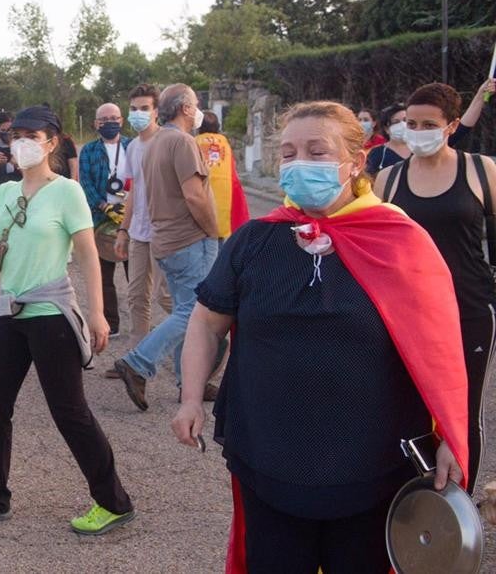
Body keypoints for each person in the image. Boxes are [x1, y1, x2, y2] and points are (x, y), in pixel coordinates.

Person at [173, 100, 469, 572]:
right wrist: (190, 397)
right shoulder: (253, 241)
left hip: (370, 465)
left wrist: (453, 435)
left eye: (316, 151)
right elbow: (207, 321)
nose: (298, 164)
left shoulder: (399, 240)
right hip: (268, 458)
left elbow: (441, 353)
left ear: (355, 162)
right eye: (288, 153)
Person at [0, 105, 135, 537]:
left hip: (51, 314)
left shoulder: (67, 192)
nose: (21, 142)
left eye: (31, 135)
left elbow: (86, 255)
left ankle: (113, 501)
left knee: (69, 412)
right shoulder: (6, 192)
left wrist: (96, 312)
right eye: (16, 134)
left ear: (52, 142)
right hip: (10, 313)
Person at [375, 79, 496, 491]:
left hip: (470, 309)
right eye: (411, 122)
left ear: (452, 125)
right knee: (405, 405)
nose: (417, 131)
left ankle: (459, 516)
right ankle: (411, 499)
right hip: (407, 314)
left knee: (462, 410)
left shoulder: (482, 170)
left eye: (429, 123)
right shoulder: (387, 181)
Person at [112, 84, 221, 411]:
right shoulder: (182, 141)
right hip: (189, 240)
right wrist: (212, 231)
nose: (198, 108)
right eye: (196, 104)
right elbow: (194, 195)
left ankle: (189, 382)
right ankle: (139, 361)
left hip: (165, 239)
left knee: (183, 308)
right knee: (193, 312)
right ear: (186, 108)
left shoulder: (155, 142)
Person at [112, 84, 173, 347]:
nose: (139, 113)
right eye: (134, 109)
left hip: (165, 234)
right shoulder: (133, 147)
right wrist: (123, 231)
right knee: (136, 297)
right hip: (138, 233)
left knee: (167, 297)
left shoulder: (169, 142)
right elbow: (134, 190)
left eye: (144, 108)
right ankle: (137, 362)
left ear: (156, 111)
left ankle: (206, 336)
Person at [78, 103, 130, 337]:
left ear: (121, 120)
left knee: (136, 274)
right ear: (96, 123)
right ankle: (111, 323)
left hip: (131, 218)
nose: (109, 123)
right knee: (104, 275)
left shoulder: (133, 146)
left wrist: (128, 208)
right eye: (103, 119)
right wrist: (103, 205)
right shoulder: (88, 151)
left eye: (113, 118)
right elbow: (85, 183)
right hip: (101, 218)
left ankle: (141, 322)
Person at [195, 111, 250, 240]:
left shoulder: (194, 142)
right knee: (220, 232)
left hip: (203, 195)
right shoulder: (224, 143)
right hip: (225, 194)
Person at [365, 103, 409, 174]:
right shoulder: (378, 153)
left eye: (405, 120)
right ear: (386, 129)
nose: (403, 125)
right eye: (396, 122)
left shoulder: (419, 151)